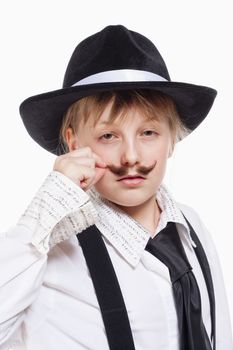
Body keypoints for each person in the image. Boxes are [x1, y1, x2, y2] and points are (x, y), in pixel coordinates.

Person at [0, 24, 232, 350]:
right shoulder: (49, 249)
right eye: (108, 136)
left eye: (148, 133)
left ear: (172, 139)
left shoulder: (192, 228)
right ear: (73, 142)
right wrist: (43, 214)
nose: (131, 157)